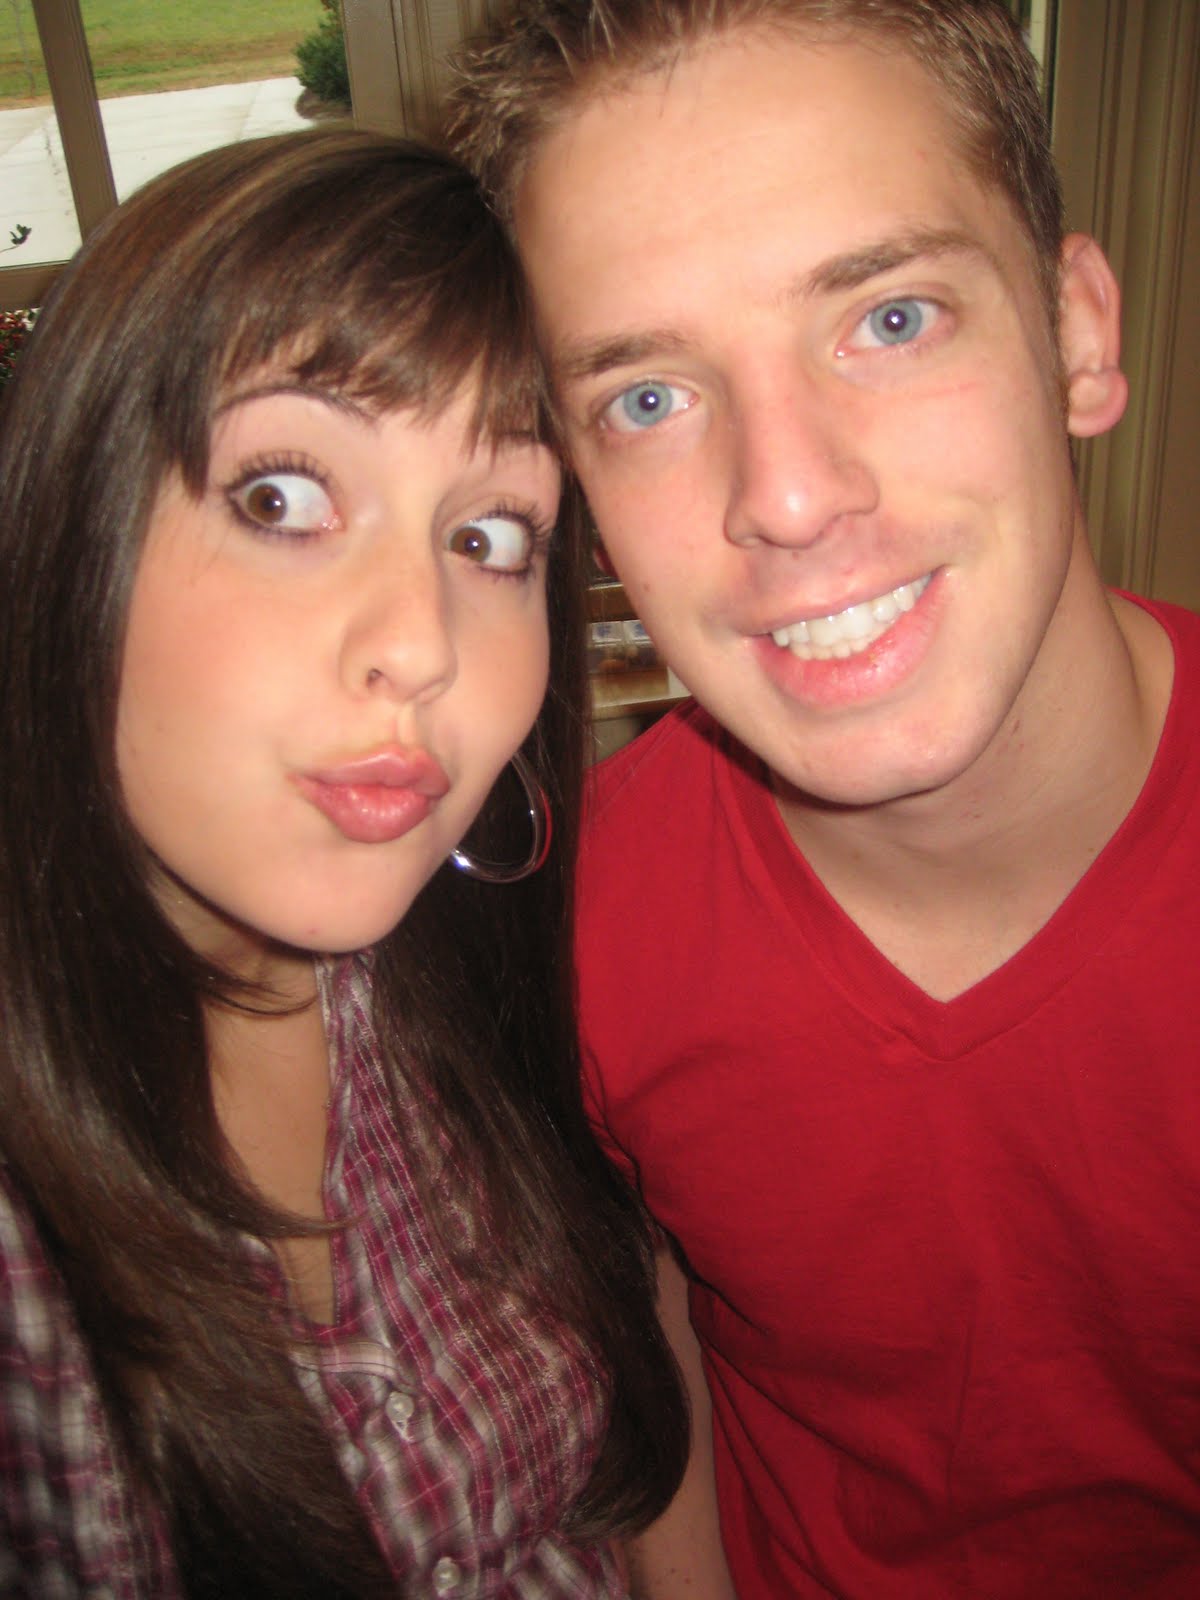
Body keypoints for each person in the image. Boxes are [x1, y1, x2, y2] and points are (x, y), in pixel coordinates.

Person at [446, 2, 1200, 1594]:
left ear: (1075, 334)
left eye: (892, 319)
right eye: (649, 399)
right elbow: (639, 1322)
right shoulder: (571, 930)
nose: (787, 496)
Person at [0, 128, 687, 1598]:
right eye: (283, 500)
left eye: (490, 536)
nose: (423, 644)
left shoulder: (465, 990)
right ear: (69, 527)